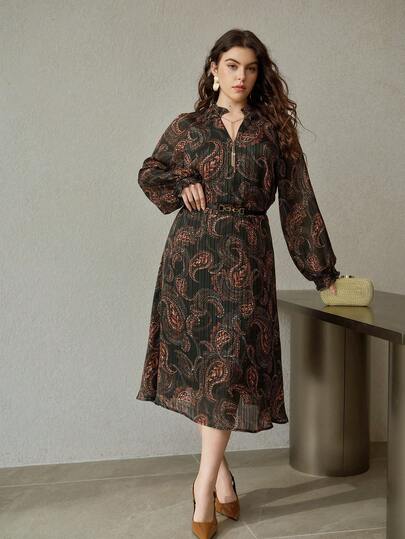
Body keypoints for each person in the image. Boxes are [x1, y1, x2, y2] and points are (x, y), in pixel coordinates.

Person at [136, 28, 340, 539]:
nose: (240, 76)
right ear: (214, 69)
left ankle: (203, 485)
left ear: (259, 73)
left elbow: (298, 201)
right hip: (189, 260)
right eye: (231, 66)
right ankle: (222, 477)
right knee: (201, 370)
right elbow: (149, 172)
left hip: (247, 261)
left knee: (227, 371)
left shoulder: (274, 133)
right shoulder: (187, 127)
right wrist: (182, 182)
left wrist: (322, 272)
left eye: (250, 68)